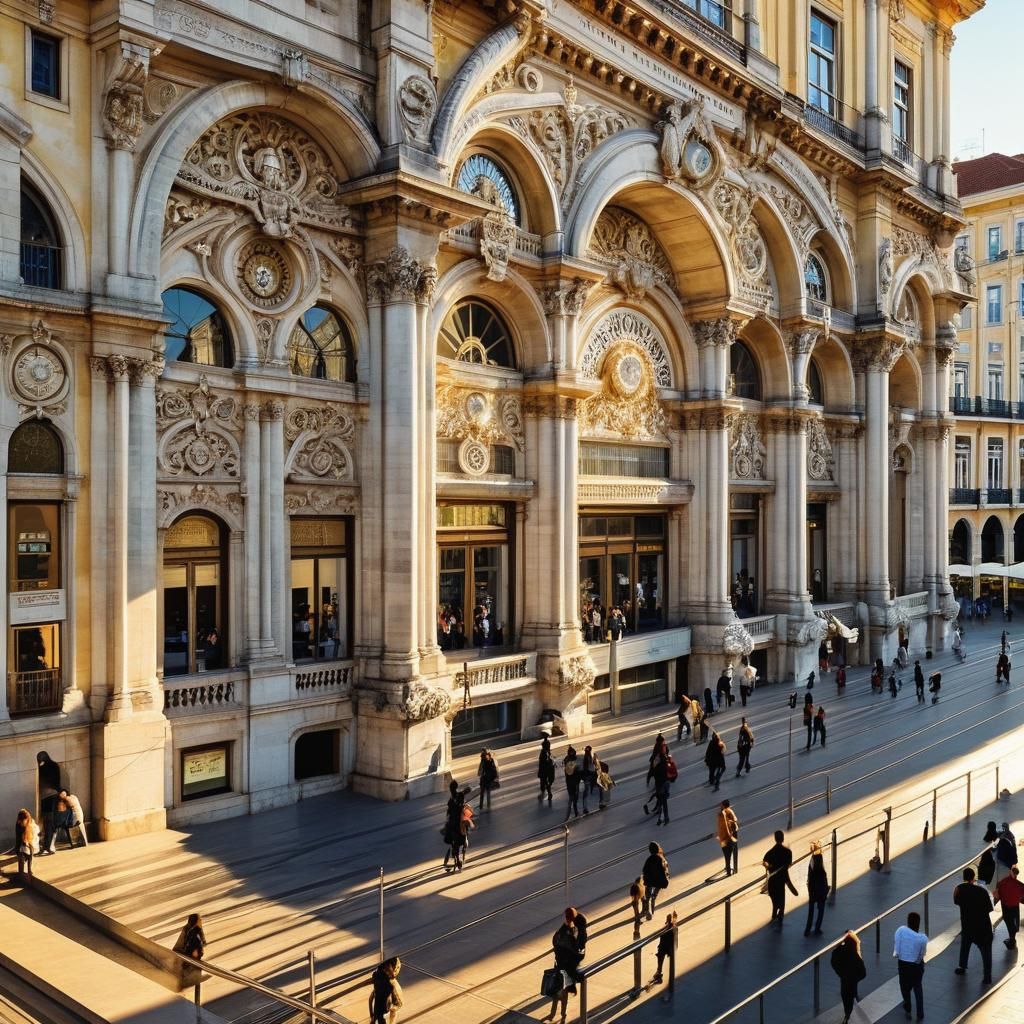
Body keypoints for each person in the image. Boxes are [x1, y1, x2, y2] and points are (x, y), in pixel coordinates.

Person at [953, 867, 994, 983]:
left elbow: (956, 901)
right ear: (974, 877)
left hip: (967, 925)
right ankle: (987, 976)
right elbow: (989, 909)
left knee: (965, 945)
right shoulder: (982, 891)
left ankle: (962, 966)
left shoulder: (959, 889)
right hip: (982, 927)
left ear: (964, 877)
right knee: (986, 951)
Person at [893, 912, 928, 1021]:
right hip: (917, 966)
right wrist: (917, 962)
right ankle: (920, 1013)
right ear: (918, 923)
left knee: (905, 987)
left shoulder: (901, 930)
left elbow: (896, 952)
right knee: (918, 988)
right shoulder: (923, 938)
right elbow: (922, 954)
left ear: (908, 922)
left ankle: (908, 1008)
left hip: (903, 965)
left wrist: (898, 954)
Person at [762, 830, 798, 927]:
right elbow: (789, 864)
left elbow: (764, 861)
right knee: (781, 896)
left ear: (775, 838)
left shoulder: (770, 852)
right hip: (783, 877)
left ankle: (775, 911)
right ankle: (780, 914)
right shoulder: (788, 852)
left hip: (773, 878)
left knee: (774, 895)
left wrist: (769, 867)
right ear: (782, 838)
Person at [831, 930, 866, 1024]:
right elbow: (863, 973)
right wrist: (855, 979)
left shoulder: (839, 951)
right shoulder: (856, 957)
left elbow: (833, 960)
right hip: (852, 980)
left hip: (844, 979)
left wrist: (841, 973)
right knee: (850, 997)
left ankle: (847, 1014)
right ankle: (847, 1015)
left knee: (845, 997)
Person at [995, 865, 1024, 948]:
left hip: (1006, 906)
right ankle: (1012, 939)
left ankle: (1012, 940)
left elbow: (998, 895)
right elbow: (1022, 899)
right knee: (1014, 923)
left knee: (1009, 922)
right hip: (1015, 906)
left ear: (1010, 872)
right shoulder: (1019, 885)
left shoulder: (1002, 882)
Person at [804, 842, 830, 936]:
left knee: (811, 910)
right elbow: (823, 876)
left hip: (813, 888)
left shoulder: (812, 861)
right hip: (821, 888)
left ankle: (807, 929)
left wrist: (809, 887)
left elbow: (810, 875)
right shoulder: (820, 859)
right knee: (821, 910)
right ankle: (817, 928)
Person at [641, 842, 670, 921]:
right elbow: (665, 870)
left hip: (650, 881)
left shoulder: (649, 859)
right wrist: (667, 878)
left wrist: (645, 879)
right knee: (657, 888)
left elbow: (645, 870)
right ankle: (654, 896)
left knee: (648, 895)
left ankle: (648, 908)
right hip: (660, 881)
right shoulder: (661, 858)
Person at [369, 957, 402, 1024]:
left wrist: (372, 1015)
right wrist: (372, 1015)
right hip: (383, 984)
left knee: (395, 1006)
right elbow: (371, 998)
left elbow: (371, 998)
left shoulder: (390, 984)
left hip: (386, 985)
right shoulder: (381, 979)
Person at [651, 912, 678, 984]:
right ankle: (659, 972)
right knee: (661, 957)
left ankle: (659, 972)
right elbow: (675, 940)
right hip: (668, 947)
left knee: (660, 957)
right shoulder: (674, 927)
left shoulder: (668, 928)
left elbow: (662, 937)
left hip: (664, 947)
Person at [717, 800, 739, 876]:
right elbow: (735, 820)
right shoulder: (730, 811)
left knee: (727, 854)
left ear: (723, 805)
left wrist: (728, 835)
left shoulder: (722, 814)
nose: (720, 806)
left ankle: (728, 869)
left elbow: (724, 826)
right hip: (730, 836)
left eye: (721, 805)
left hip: (726, 837)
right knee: (730, 853)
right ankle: (730, 868)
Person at [15, 808, 38, 878]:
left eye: (24, 820)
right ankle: (21, 871)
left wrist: (28, 842)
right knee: (20, 853)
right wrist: (20, 845)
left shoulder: (31, 823)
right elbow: (18, 837)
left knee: (30, 853)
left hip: (30, 839)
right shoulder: (18, 824)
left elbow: (34, 834)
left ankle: (29, 869)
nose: (22, 822)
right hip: (21, 840)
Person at [563, 746, 581, 820]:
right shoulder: (575, 762)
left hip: (569, 782)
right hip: (575, 782)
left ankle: (570, 813)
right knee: (575, 798)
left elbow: (567, 773)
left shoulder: (566, 761)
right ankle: (575, 812)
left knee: (571, 797)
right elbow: (578, 772)